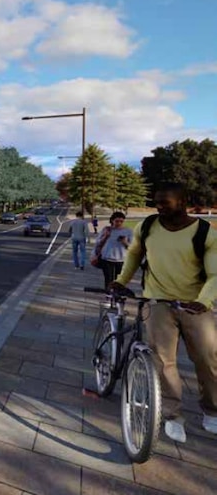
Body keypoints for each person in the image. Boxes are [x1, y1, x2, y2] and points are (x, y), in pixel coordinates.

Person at [111, 182, 217, 443]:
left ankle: (212, 411)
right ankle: (173, 415)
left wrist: (204, 301)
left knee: (208, 358)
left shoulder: (205, 232)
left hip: (194, 303)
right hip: (157, 300)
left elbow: (215, 273)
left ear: (183, 202)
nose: (158, 207)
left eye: (165, 203)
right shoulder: (147, 227)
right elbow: (134, 254)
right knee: (162, 360)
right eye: (156, 202)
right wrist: (122, 281)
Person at [91, 211, 133, 290]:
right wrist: (106, 236)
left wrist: (125, 242)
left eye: (121, 221)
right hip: (107, 258)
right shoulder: (106, 229)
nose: (119, 223)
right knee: (108, 279)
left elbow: (132, 247)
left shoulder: (128, 231)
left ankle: (118, 298)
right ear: (112, 221)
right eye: (117, 221)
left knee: (119, 281)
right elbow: (98, 243)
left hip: (121, 259)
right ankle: (108, 296)